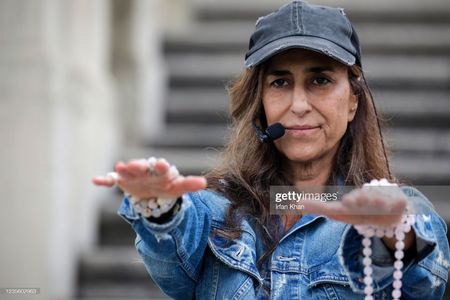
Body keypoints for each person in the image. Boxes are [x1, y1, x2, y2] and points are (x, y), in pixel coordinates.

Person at [93, 1, 449, 299]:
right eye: (280, 82)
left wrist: (398, 239)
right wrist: (160, 209)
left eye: (320, 80)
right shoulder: (216, 210)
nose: (298, 105)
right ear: (260, 101)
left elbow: (427, 281)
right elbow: (172, 255)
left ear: (353, 101)